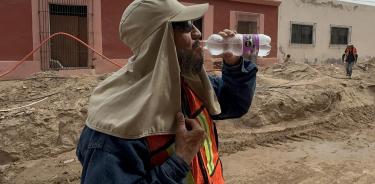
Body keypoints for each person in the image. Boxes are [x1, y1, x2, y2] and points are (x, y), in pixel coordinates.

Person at [76, 0, 257, 183]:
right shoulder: (113, 126)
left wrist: (234, 66)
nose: (198, 33)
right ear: (159, 40)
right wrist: (178, 162)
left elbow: (234, 104)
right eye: (185, 25)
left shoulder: (189, 83)